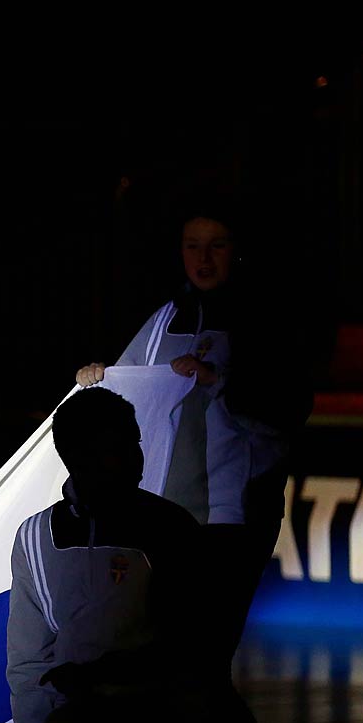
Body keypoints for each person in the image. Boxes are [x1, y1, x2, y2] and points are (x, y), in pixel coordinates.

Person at [7, 388, 207, 723]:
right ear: (80, 456)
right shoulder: (33, 539)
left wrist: (109, 680)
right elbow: (28, 665)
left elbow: (193, 648)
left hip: (153, 719)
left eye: (137, 442)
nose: (138, 457)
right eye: (123, 445)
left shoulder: (170, 529)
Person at [75, 209, 312, 666]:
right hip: (166, 517)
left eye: (216, 245)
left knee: (206, 658)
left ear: (237, 250)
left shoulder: (265, 320)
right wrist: (99, 380)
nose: (203, 258)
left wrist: (217, 380)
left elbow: (287, 412)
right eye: (192, 246)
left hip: (232, 521)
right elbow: (127, 390)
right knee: (167, 655)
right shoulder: (166, 318)